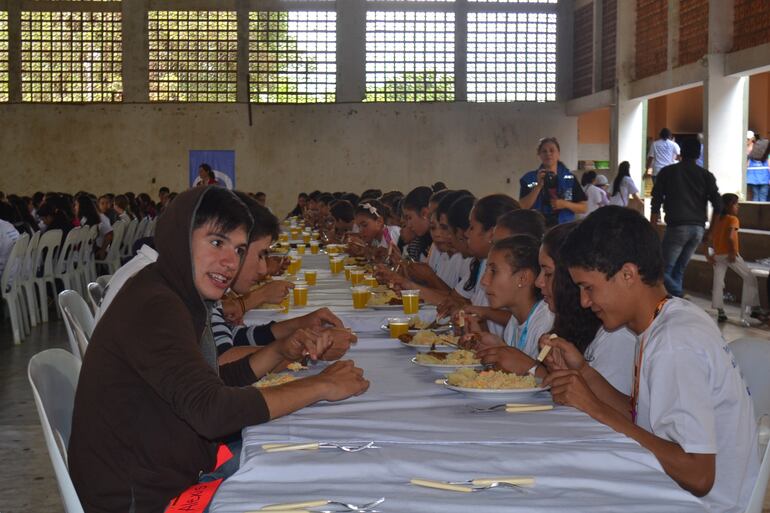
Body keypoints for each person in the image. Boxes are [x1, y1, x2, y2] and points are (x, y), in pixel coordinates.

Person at [69, 186, 369, 513]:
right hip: (144, 498)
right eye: (216, 242)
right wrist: (320, 385)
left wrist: (280, 350)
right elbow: (213, 412)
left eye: (239, 249)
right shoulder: (156, 305)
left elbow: (211, 381)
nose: (230, 262)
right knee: (318, 477)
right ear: (180, 236)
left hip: (161, 472)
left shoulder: (171, 291)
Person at [548, 206, 758, 513]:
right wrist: (584, 371)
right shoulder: (667, 319)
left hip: (705, 505)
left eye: (589, 288)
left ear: (628, 274)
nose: (584, 301)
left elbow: (698, 475)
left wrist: (595, 409)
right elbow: (643, 417)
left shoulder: (675, 342)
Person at [460, 235, 553, 375]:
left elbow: (547, 385)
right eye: (486, 271)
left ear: (523, 278)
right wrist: (498, 347)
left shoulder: (545, 322)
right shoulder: (514, 320)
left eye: (493, 271)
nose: (484, 281)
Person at [651, 138, 721, 298]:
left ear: (680, 153)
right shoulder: (705, 175)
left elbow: (656, 200)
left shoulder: (667, 172)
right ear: (698, 154)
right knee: (678, 269)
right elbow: (718, 205)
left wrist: (653, 224)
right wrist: (711, 232)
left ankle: (678, 294)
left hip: (677, 226)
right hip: (698, 228)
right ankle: (675, 305)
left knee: (661, 269)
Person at [708, 193, 761, 324]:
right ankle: (753, 308)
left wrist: (708, 254)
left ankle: (720, 312)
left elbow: (709, 237)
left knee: (718, 283)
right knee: (750, 278)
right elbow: (731, 237)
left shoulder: (716, 220)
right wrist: (732, 252)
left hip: (718, 254)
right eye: (736, 205)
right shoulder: (733, 220)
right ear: (730, 206)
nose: (738, 207)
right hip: (730, 254)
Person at [519, 137, 587, 227]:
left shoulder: (570, 178)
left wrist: (565, 204)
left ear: (558, 154)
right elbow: (522, 207)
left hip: (562, 228)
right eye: (544, 151)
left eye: (552, 150)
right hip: (536, 227)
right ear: (539, 154)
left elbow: (583, 208)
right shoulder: (529, 178)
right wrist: (538, 186)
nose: (548, 154)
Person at [401, 186, 434, 262]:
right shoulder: (416, 243)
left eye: (409, 218)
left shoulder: (440, 244)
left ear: (424, 213)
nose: (408, 225)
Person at [747, 131, 769, 202]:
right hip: (765, 178)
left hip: (753, 178)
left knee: (755, 196)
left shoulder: (751, 153)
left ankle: (754, 212)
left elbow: (747, 165)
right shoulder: (767, 155)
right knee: (763, 197)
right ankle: (764, 213)